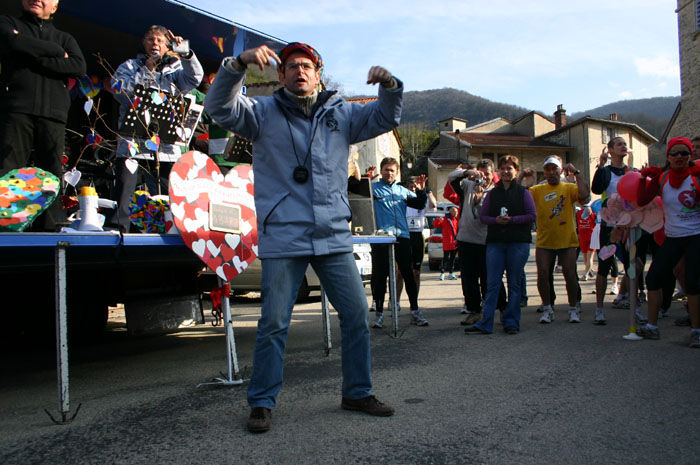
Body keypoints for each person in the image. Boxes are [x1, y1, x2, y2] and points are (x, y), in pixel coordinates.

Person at [204, 42, 401, 432]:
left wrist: (390, 86)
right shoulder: (261, 112)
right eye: (292, 65)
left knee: (357, 316)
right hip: (284, 234)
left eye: (307, 66)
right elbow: (219, 108)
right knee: (274, 323)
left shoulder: (341, 113)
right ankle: (262, 402)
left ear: (318, 74)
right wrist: (237, 64)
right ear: (281, 75)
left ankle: (357, 392)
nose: (300, 71)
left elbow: (384, 116)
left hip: (333, 233)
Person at [0, 0, 86, 231]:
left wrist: (28, 52)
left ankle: (47, 231)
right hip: (17, 108)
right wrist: (56, 52)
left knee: (50, 174)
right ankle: (5, 229)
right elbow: (12, 42)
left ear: (55, 6)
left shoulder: (65, 38)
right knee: (9, 169)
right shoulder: (8, 23)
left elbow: (78, 67)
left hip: (53, 114)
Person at [107, 25, 203, 231]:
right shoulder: (130, 66)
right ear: (144, 43)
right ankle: (119, 230)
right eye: (151, 39)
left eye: (160, 40)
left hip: (165, 145)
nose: (155, 44)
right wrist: (146, 71)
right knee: (125, 190)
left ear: (167, 46)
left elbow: (195, 78)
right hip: (133, 142)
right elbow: (119, 90)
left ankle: (168, 229)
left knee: (168, 192)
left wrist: (185, 52)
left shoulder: (175, 69)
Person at [636, 137, 700, 348]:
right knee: (653, 278)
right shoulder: (663, 178)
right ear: (668, 157)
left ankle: (696, 331)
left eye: (684, 153)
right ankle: (652, 327)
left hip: (696, 236)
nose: (679, 157)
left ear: (690, 156)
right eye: (675, 153)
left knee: (692, 282)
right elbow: (643, 200)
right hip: (673, 237)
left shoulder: (696, 176)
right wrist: (642, 178)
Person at [464, 155, 536, 335]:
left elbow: (532, 216)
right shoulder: (493, 194)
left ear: (516, 171)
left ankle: (511, 322)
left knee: (514, 284)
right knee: (492, 284)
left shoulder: (523, 192)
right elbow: (483, 217)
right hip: (496, 243)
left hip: (517, 243)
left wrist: (513, 220)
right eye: (502, 168)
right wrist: (495, 220)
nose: (505, 171)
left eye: (509, 168)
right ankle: (486, 323)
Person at [529, 156, 590, 324]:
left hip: (566, 240)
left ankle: (573, 308)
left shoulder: (569, 187)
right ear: (544, 172)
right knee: (543, 274)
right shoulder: (538, 190)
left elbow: (585, 195)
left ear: (560, 170)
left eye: (554, 169)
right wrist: (525, 180)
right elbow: (522, 201)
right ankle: (548, 309)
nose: (551, 172)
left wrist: (577, 173)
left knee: (569, 274)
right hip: (545, 240)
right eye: (548, 169)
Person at [370, 157, 428, 328]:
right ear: (381, 171)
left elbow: (419, 204)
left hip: (402, 236)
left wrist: (422, 191)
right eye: (386, 169)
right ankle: (379, 314)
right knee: (380, 276)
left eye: (392, 170)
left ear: (397, 173)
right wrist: (365, 180)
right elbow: (356, 196)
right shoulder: (373, 188)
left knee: (408, 275)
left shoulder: (402, 190)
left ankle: (415, 311)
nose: (389, 173)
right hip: (381, 237)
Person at [447, 159, 506, 325]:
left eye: (487, 174)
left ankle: (503, 309)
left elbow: (487, 216)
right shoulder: (468, 185)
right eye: (481, 173)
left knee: (491, 278)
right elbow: (451, 177)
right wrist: (468, 173)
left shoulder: (496, 192)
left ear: (493, 174)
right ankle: (474, 311)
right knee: (468, 279)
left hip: (487, 241)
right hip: (466, 239)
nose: (484, 177)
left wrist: (480, 199)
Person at [591, 137, 634, 324]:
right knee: (604, 266)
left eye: (625, 144)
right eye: (619, 144)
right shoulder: (606, 171)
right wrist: (600, 166)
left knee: (633, 266)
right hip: (609, 228)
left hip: (629, 227)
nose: (623, 146)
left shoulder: (630, 171)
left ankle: (633, 306)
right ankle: (599, 309)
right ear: (610, 150)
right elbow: (596, 189)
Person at [395, 175, 434, 309]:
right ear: (406, 188)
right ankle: (395, 301)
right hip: (404, 236)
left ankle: (414, 302)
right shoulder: (403, 201)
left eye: (415, 187)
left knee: (416, 272)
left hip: (417, 236)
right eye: (410, 187)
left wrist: (426, 190)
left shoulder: (421, 201)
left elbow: (433, 204)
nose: (413, 189)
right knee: (400, 272)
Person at [433, 206, 459, 280]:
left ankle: (451, 273)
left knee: (452, 259)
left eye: (457, 212)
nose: (456, 213)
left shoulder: (456, 220)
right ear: (451, 212)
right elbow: (436, 225)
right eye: (455, 211)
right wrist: (438, 219)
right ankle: (442, 273)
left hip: (454, 243)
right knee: (445, 259)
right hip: (447, 243)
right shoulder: (445, 219)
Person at [577, 204, 597, 280]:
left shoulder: (578, 213)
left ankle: (587, 272)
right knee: (589, 257)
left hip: (583, 237)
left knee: (586, 257)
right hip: (592, 237)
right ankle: (587, 272)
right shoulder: (593, 214)